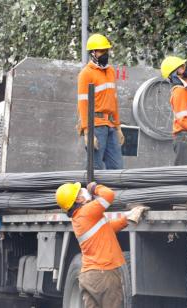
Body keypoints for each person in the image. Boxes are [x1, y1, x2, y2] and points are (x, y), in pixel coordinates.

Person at [55, 182, 148, 308]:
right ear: (78, 199)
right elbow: (108, 195)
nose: (84, 191)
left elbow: (106, 229)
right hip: (104, 274)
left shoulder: (80, 218)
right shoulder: (87, 211)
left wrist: (127, 219)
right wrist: (93, 187)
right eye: (80, 191)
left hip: (89, 277)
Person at [77, 33, 124, 170]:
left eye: (106, 50)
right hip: (96, 127)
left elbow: (113, 101)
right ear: (93, 53)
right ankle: (92, 192)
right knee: (95, 169)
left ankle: (113, 192)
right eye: (101, 51)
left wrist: (118, 127)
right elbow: (83, 105)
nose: (105, 54)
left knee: (117, 169)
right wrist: (88, 133)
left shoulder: (110, 71)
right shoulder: (86, 74)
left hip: (111, 126)